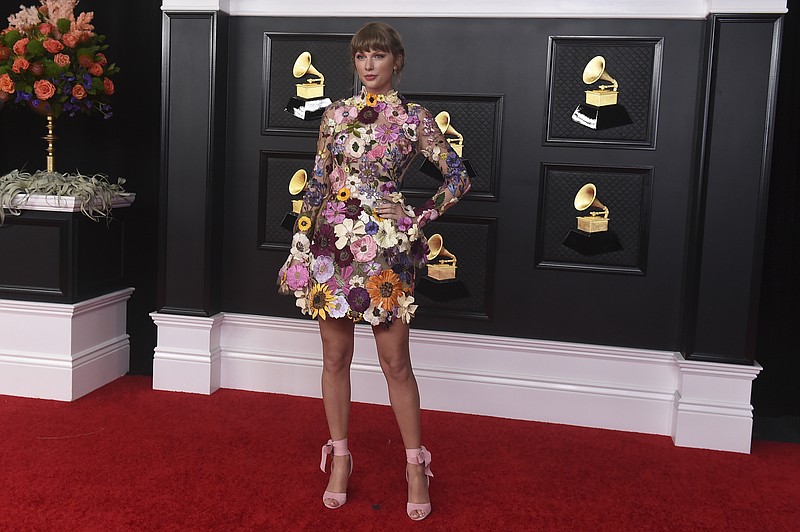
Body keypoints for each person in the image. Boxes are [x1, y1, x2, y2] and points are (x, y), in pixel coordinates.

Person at [278, 21, 471, 521]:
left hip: (386, 251)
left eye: (378, 56)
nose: (368, 65)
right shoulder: (335, 114)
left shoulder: (413, 119)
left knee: (394, 362)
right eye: (361, 56)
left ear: (396, 61)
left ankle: (414, 466)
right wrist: (300, 239)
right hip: (331, 248)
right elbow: (317, 182)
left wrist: (415, 216)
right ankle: (340, 458)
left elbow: (458, 175)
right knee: (334, 356)